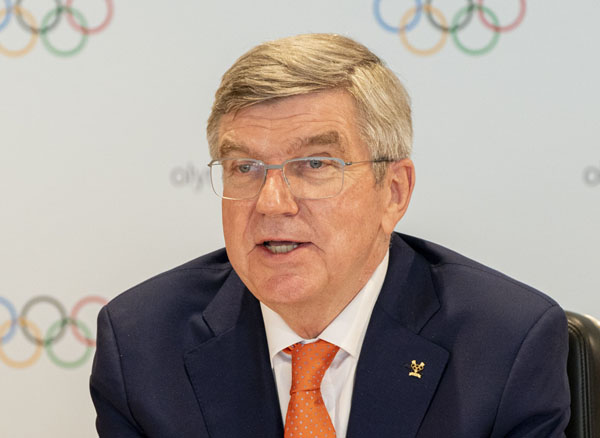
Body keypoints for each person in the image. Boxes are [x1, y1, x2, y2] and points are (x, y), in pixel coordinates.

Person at [90, 33, 570, 437]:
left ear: (394, 192)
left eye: (315, 164)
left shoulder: (505, 344)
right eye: (245, 167)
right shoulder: (143, 344)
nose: (272, 202)